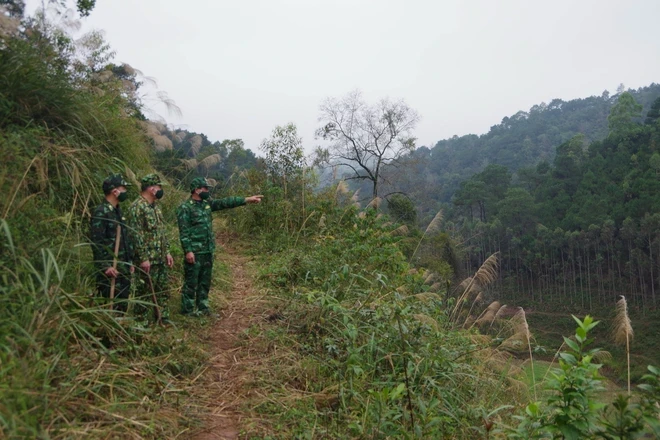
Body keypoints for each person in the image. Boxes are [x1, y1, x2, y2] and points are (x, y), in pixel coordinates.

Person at [177, 177, 262, 316]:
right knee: (191, 282)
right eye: (205, 188)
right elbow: (184, 232)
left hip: (207, 250)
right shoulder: (185, 208)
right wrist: (188, 251)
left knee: (205, 282)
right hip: (194, 251)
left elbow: (225, 203)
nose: (207, 190)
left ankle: (203, 308)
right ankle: (187, 311)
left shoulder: (207, 204)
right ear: (197, 190)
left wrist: (246, 199)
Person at [127, 173, 174, 325]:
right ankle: (140, 323)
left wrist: (166, 251)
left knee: (163, 290)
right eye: (159, 187)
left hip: (159, 257)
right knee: (143, 294)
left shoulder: (155, 207)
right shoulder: (137, 207)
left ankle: (163, 317)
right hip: (147, 260)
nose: (161, 190)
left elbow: (161, 231)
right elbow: (136, 235)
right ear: (152, 189)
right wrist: (143, 258)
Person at [90, 174, 134, 313]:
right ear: (115, 191)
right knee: (109, 304)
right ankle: (109, 332)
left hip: (122, 265)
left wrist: (129, 261)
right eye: (123, 188)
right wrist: (105, 266)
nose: (125, 191)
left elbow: (124, 239)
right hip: (111, 268)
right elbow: (97, 242)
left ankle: (120, 331)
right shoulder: (101, 212)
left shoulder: (117, 211)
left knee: (122, 303)